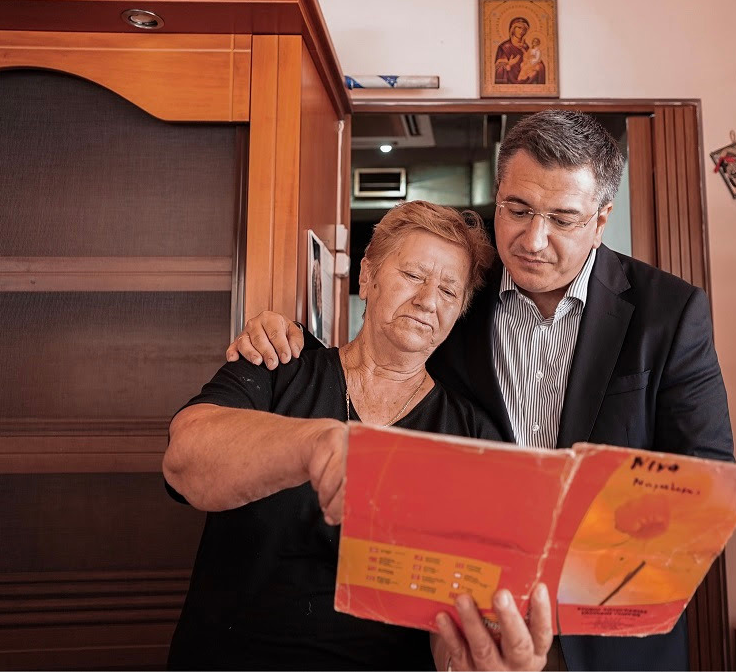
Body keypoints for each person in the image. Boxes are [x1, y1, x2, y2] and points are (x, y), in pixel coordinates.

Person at [230, 110, 735, 671]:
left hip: (609, 639)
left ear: (601, 220)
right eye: (517, 210)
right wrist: (284, 338)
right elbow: (388, 352)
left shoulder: (669, 312)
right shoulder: (459, 291)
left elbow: (705, 483)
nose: (533, 240)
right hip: (466, 625)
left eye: (563, 219)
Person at [163, 201, 552, 670]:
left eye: (449, 290)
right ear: (367, 277)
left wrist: (473, 655)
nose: (428, 300)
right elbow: (182, 460)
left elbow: (457, 612)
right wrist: (314, 444)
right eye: (413, 275)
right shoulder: (279, 366)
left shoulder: (472, 438)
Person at [494, 17, 530, 84]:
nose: (522, 31)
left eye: (524, 29)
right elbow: (499, 67)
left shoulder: (526, 47)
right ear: (512, 29)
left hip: (525, 78)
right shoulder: (504, 47)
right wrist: (509, 64)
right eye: (519, 28)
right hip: (509, 79)